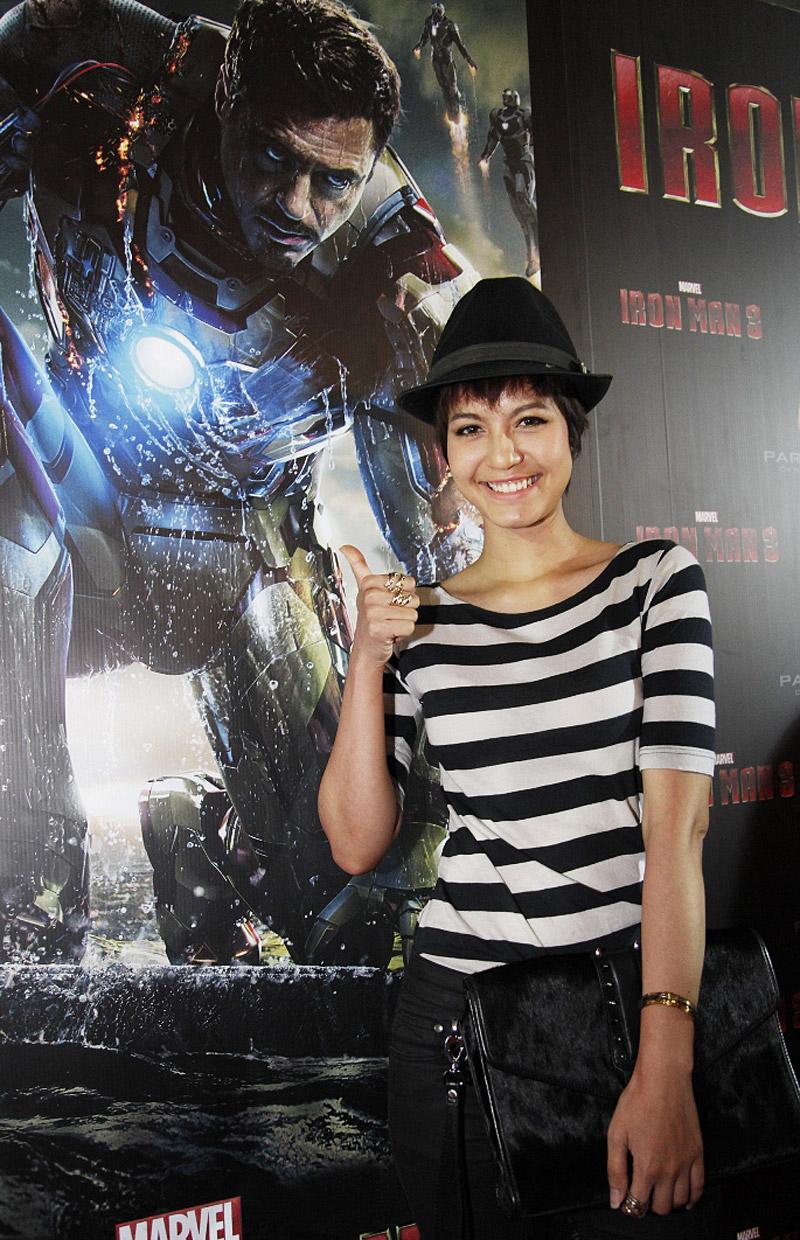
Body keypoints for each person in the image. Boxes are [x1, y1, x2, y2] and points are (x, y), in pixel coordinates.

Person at [0, 0, 476, 966]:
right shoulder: (97, 74)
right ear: (223, 100)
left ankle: (200, 838)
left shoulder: (393, 268)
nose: (297, 205)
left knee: (342, 906)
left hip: (244, 558)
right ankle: (30, 886)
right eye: (270, 158)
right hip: (72, 491)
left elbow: (450, 558)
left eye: (332, 181)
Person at [318, 277, 717, 1237]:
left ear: (571, 431)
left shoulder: (653, 584)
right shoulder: (418, 621)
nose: (503, 455)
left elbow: (679, 832)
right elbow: (356, 843)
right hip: (458, 1026)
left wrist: (665, 1061)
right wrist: (366, 657)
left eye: (529, 419)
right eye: (470, 429)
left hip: (624, 1011)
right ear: (444, 456)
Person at [478, 89, 539, 278]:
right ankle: (532, 255)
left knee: (524, 199)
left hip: (523, 162)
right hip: (510, 164)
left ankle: (538, 241)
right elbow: (493, 137)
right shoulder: (497, 116)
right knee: (518, 210)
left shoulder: (524, 115)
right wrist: (486, 154)